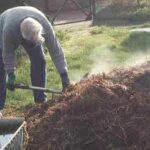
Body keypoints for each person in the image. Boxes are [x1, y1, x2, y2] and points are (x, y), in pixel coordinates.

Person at [0, 6, 70, 111]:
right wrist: (11, 74)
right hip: (3, 25)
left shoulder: (44, 25)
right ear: (21, 36)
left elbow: (56, 50)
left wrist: (64, 74)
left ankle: (40, 102)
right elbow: (7, 54)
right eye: (30, 43)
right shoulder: (9, 30)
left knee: (39, 61)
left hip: (29, 26)